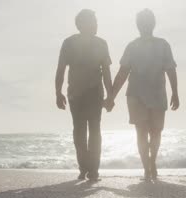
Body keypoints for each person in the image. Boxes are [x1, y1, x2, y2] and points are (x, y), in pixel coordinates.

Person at [105, 9, 179, 181]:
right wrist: (175, 93)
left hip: (146, 94)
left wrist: (111, 97)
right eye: (144, 22)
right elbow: (123, 73)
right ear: (142, 25)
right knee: (153, 132)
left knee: (147, 132)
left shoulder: (155, 45)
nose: (145, 25)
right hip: (142, 95)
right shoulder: (152, 45)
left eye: (146, 22)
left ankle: (148, 166)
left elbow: (170, 70)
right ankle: (150, 165)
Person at [55, 9, 113, 181]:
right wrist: (57, 93)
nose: (96, 24)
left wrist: (110, 96)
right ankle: (85, 168)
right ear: (82, 24)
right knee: (80, 131)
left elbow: (106, 72)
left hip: (94, 94)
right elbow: (60, 69)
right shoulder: (69, 43)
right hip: (77, 95)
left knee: (93, 130)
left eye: (96, 21)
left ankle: (92, 169)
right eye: (93, 21)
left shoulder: (101, 43)